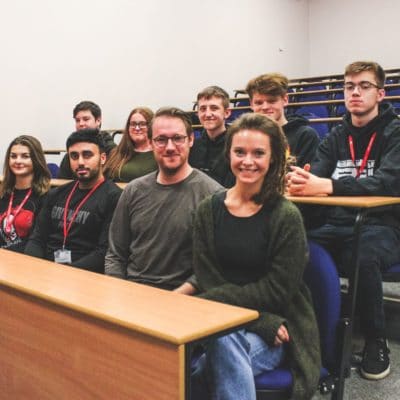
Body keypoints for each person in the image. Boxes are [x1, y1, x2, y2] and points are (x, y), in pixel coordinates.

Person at [190, 113, 320, 400]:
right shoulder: (207, 211)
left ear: (273, 158)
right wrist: (259, 319)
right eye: (240, 152)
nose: (247, 161)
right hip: (255, 323)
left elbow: (278, 291)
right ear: (229, 154)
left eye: (258, 153)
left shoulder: (286, 216)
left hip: (280, 326)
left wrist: (252, 320)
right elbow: (207, 276)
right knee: (221, 340)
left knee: (211, 355)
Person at [287, 61, 400, 380]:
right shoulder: (337, 134)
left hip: (384, 223)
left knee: (361, 254)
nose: (355, 92)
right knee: (294, 243)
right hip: (337, 221)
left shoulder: (395, 131)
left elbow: (390, 182)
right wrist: (300, 181)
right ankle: (307, 332)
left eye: (363, 86)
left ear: (380, 93)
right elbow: (317, 175)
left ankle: (376, 341)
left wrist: (330, 186)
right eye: (349, 86)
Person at [105, 107, 222, 293]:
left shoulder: (213, 195)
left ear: (191, 140)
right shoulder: (133, 190)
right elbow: (115, 255)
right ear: (150, 143)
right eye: (161, 140)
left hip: (181, 300)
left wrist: (174, 298)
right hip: (131, 293)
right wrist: (119, 291)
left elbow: (211, 266)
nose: (169, 147)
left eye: (177, 138)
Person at [25, 129, 122, 273]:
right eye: (74, 156)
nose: (80, 162)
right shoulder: (56, 193)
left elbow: (103, 253)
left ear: (102, 158)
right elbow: (37, 239)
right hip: (46, 271)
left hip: (83, 276)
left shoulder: (114, 197)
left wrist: (65, 274)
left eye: (87, 155)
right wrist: (33, 266)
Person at [246, 73, 320, 167]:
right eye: (259, 103)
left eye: (272, 101)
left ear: (285, 100)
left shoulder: (305, 135)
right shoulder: (245, 136)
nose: (265, 107)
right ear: (251, 104)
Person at [0, 135, 51, 253]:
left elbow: (36, 241)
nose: (18, 161)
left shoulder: (46, 197)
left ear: (36, 159)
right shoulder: (4, 194)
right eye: (13, 156)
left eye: (25, 156)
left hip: (26, 260)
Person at [189, 86, 235, 187]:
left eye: (214, 108)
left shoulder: (237, 146)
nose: (208, 114)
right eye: (203, 109)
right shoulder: (192, 146)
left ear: (227, 113)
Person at [57, 101, 116, 179]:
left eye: (86, 119)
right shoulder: (71, 152)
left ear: (98, 121)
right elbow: (62, 180)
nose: (81, 124)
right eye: (77, 120)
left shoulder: (112, 152)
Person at [104, 107, 158, 182]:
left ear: (152, 126)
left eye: (142, 124)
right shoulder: (117, 153)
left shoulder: (159, 154)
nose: (137, 128)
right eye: (133, 124)